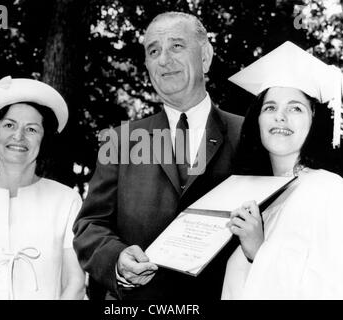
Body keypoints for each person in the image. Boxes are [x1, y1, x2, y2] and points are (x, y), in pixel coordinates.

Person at [73, 11, 243, 300]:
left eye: (176, 46)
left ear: (205, 57)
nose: (164, 59)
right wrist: (117, 259)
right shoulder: (120, 140)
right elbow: (90, 226)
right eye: (154, 51)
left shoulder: (247, 134)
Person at [221, 41, 343, 299]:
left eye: (295, 108)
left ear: (314, 122)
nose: (280, 116)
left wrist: (259, 252)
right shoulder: (258, 200)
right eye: (270, 107)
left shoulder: (333, 193)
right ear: (257, 120)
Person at [0, 76, 86, 300]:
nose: (19, 136)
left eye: (31, 129)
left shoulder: (67, 200)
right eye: (9, 125)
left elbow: (75, 283)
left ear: (44, 140)